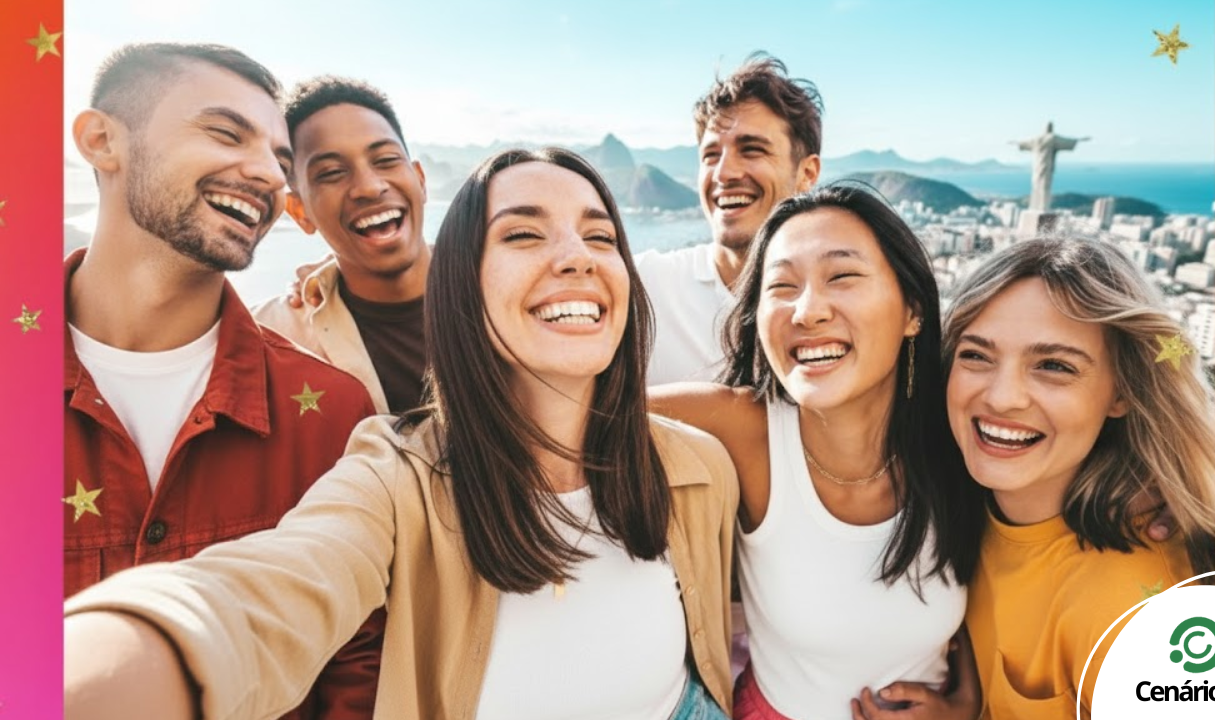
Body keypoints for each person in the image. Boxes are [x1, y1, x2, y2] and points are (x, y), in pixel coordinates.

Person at [64, 148, 739, 720]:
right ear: (463, 288)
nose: (576, 258)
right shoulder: (398, 477)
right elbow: (272, 587)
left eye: (600, 236)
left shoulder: (695, 467)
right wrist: (127, 647)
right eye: (524, 235)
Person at [64, 42, 383, 719]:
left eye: (279, 159)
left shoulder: (331, 413)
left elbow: (357, 670)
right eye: (224, 132)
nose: (267, 173)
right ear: (101, 141)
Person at [652, 183, 986, 720]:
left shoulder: (963, 436)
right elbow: (566, 418)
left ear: (913, 311)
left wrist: (966, 707)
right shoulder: (746, 430)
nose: (807, 311)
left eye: (843, 276)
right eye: (781, 286)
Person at [942, 237, 1215, 718]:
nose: (1003, 397)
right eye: (976, 356)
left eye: (1053, 366)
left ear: (1122, 393)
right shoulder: (973, 500)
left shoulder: (1136, 612)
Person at [637, 53, 822, 384]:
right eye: (710, 155)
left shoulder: (831, 310)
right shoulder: (645, 289)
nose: (724, 173)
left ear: (807, 173)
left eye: (751, 149)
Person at [253, 77, 431, 414]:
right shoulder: (270, 338)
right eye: (332, 173)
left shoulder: (504, 290)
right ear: (300, 211)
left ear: (420, 180)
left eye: (386, 160)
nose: (368, 186)